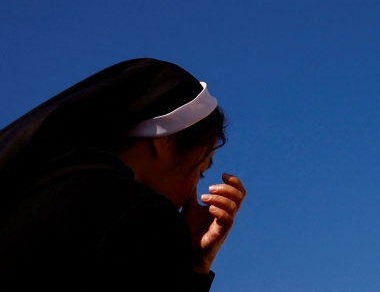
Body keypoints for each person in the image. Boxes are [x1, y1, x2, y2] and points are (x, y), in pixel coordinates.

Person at [0, 58, 246, 291]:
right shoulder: (141, 213)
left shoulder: (32, 187)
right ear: (166, 138)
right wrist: (193, 266)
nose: (193, 192)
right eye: (200, 171)